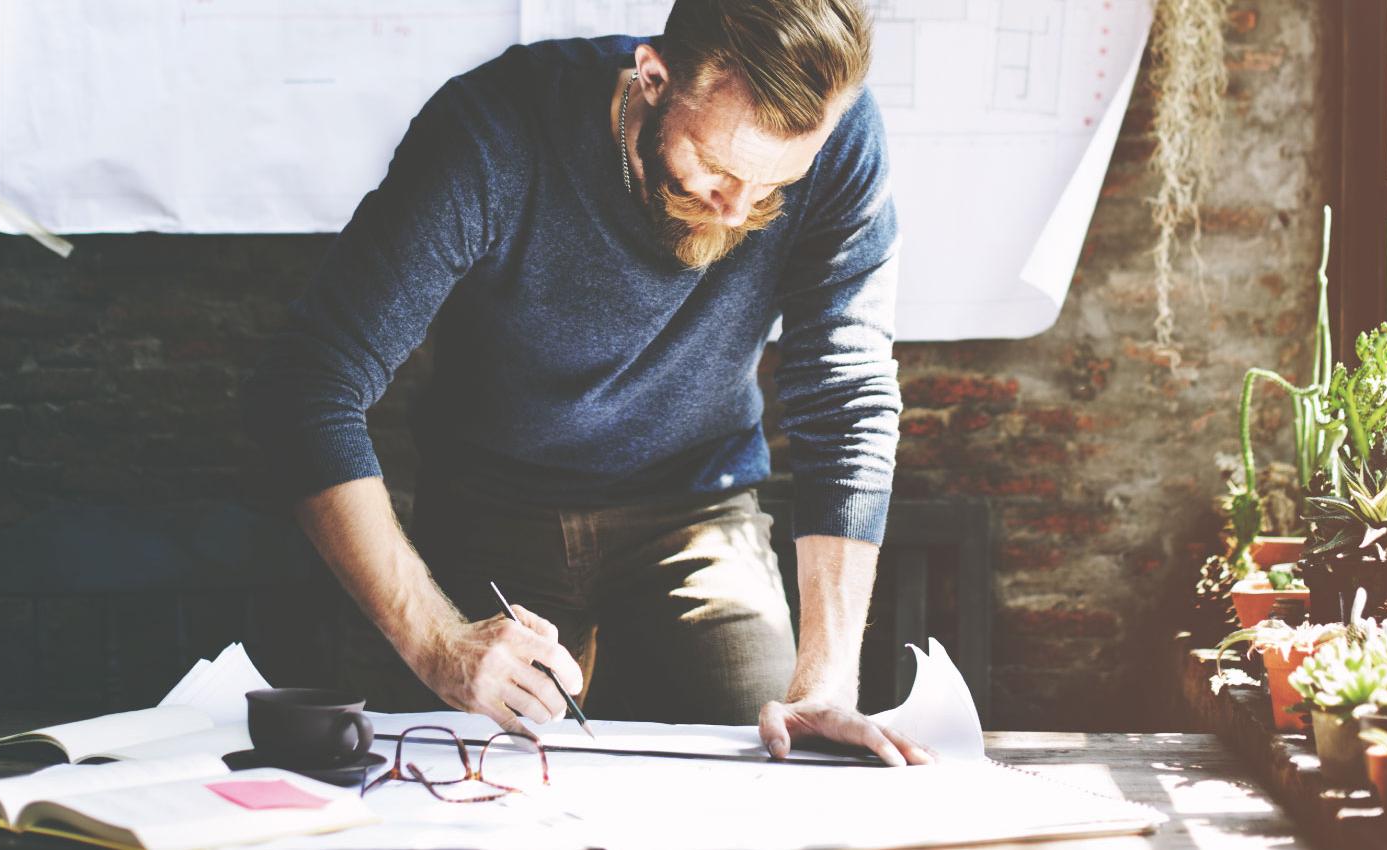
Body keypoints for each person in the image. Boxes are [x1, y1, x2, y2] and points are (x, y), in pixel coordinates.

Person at [242, 0, 928, 765]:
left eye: (778, 182)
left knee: (783, 759)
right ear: (655, 78)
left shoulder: (841, 138)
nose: (742, 211)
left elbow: (848, 398)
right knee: (464, 782)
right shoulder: (492, 133)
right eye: (719, 166)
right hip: (496, 504)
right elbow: (307, 384)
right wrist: (438, 643)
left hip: (700, 502)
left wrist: (826, 683)